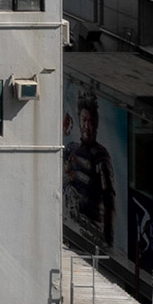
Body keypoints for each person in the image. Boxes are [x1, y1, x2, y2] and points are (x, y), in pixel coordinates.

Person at [65, 88, 117, 240]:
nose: (87, 126)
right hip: (73, 225)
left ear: (96, 123)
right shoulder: (72, 150)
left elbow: (109, 199)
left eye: (91, 121)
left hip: (93, 232)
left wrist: (107, 237)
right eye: (84, 120)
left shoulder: (100, 156)